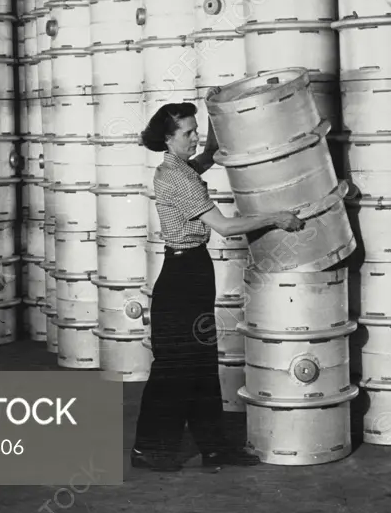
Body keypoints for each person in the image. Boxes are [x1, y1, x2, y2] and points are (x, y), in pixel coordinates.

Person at [131, 97, 305, 472]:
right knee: (174, 367)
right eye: (188, 133)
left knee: (202, 363)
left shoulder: (179, 168)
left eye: (196, 131)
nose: (194, 138)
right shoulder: (176, 177)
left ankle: (214, 448)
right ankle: (149, 449)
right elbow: (224, 227)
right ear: (168, 137)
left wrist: (214, 136)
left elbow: (201, 162)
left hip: (192, 270)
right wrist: (275, 217)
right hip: (181, 278)